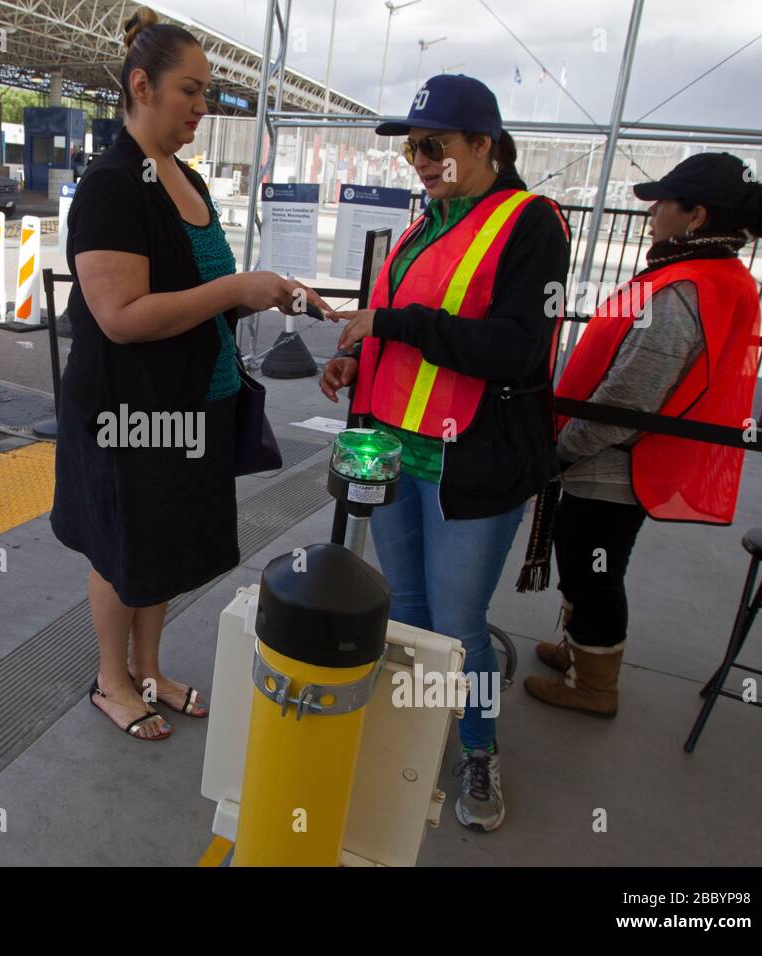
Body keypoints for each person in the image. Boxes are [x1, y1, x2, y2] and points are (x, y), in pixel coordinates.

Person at [51, 7, 326, 741]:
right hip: (128, 412)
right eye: (191, 92)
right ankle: (112, 680)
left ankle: (149, 670)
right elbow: (121, 316)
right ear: (141, 86)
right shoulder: (112, 185)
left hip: (190, 408)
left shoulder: (185, 175)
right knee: (121, 551)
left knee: (164, 548)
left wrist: (278, 292)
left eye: (207, 95)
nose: (204, 109)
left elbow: (199, 284)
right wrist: (238, 290)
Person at [320, 74, 570, 831]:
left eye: (435, 146)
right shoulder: (424, 223)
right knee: (414, 614)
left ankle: (480, 749)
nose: (420, 160)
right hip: (393, 456)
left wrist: (394, 326)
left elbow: (517, 349)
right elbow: (398, 332)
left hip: (471, 467)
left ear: (483, 144)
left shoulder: (532, 224)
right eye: (412, 148)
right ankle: (421, 733)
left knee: (461, 624)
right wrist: (358, 362)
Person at [527, 154, 762, 717]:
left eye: (663, 203)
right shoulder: (712, 279)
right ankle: (582, 653)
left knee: (593, 569)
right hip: (626, 458)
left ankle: (594, 687)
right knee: (590, 563)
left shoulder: (684, 289)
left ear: (695, 216)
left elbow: (629, 398)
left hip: (615, 463)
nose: (651, 213)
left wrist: (562, 451)